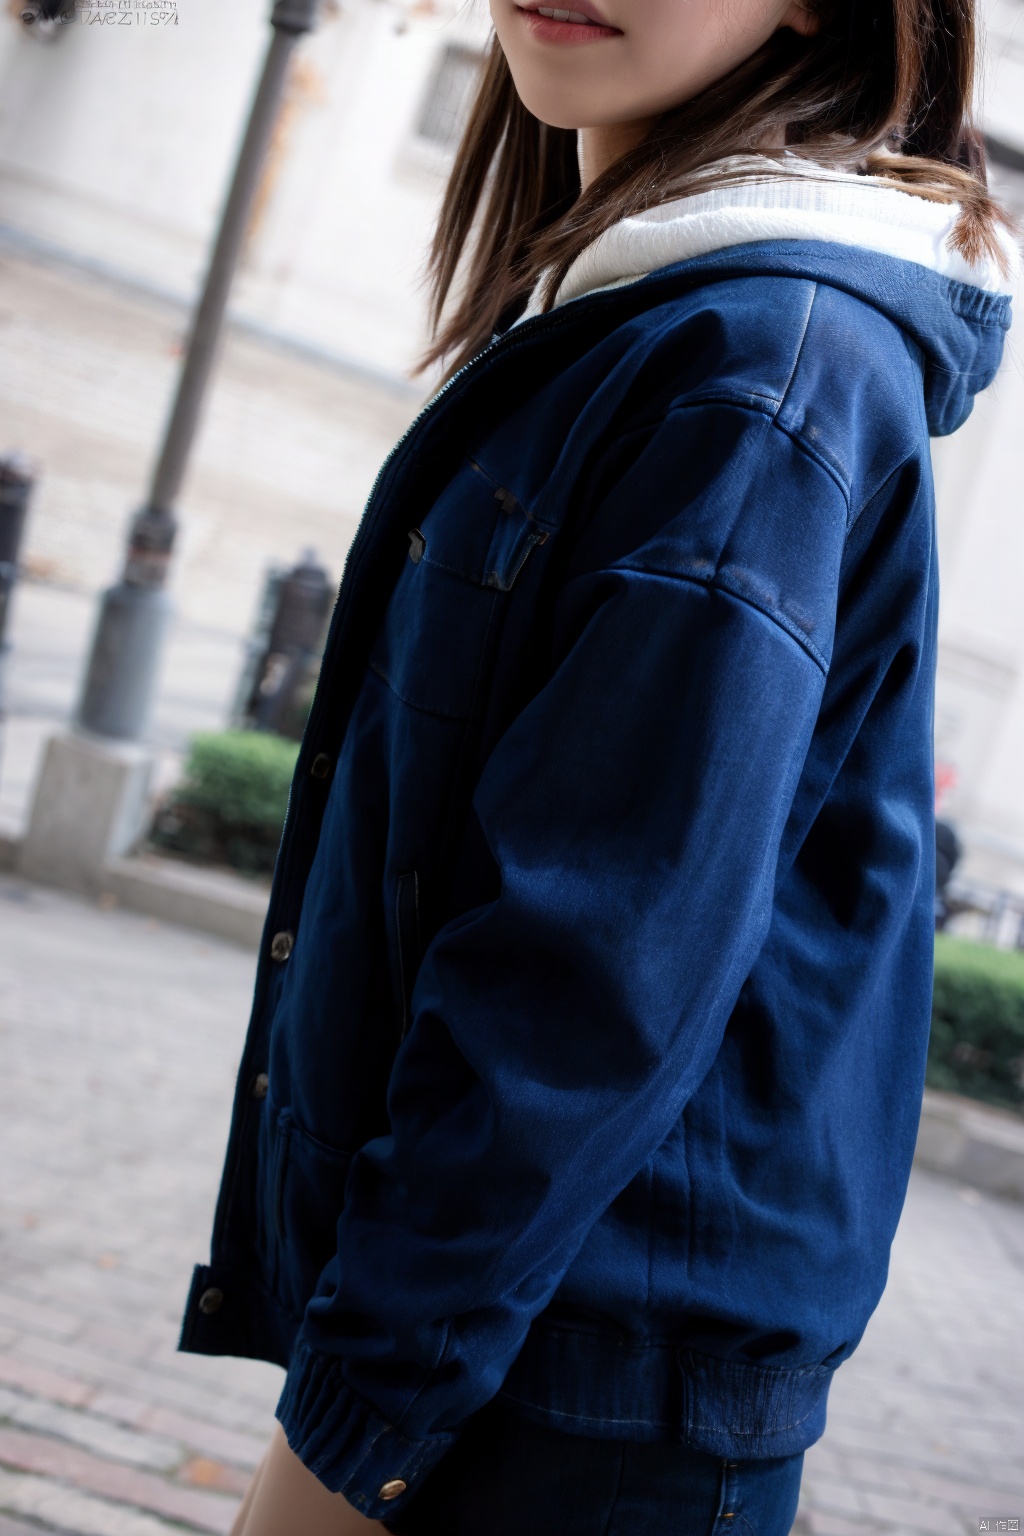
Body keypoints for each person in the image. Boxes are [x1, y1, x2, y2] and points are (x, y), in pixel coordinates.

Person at [180, 0, 1017, 1531]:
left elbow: (579, 993)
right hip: (542, 1361)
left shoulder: (760, 371)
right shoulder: (648, 304)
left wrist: (344, 1442)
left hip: (579, 1406)